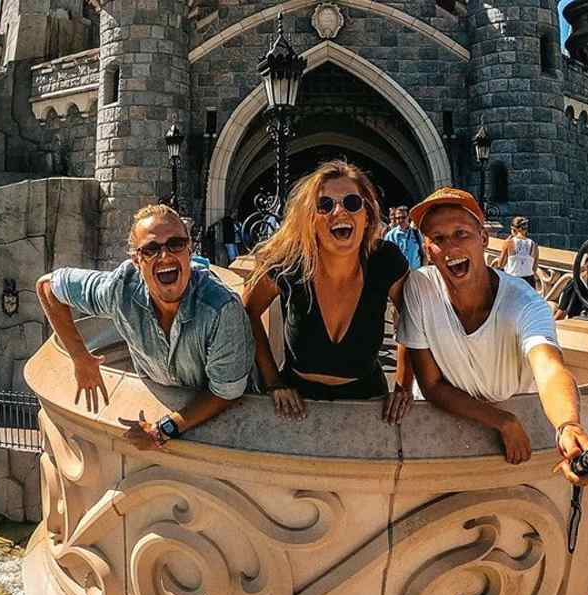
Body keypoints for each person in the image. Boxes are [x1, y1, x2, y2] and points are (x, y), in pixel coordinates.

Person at [396, 188, 588, 485]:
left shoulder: (525, 303)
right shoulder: (420, 287)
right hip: (441, 429)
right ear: (427, 250)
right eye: (438, 239)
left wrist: (568, 425)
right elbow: (431, 384)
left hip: (512, 443)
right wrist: (501, 421)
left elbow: (549, 369)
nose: (450, 247)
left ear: (484, 238)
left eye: (461, 233)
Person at [35, 204, 255, 449]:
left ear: (189, 250)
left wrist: (163, 429)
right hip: (157, 396)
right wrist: (80, 357)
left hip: (228, 428)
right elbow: (48, 287)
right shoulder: (120, 289)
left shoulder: (221, 309)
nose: (165, 256)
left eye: (176, 244)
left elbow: (226, 392)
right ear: (137, 260)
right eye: (151, 249)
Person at [242, 160, 413, 424]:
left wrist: (403, 386)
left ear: (367, 214)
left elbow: (412, 317)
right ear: (310, 219)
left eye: (352, 203)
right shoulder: (290, 262)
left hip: (368, 404)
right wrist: (272, 382)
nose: (339, 211)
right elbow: (248, 310)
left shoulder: (384, 260)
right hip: (296, 405)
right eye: (325, 205)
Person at [495, 216, 540, 289]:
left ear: (514, 229)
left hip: (513, 280)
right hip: (529, 282)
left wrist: (504, 246)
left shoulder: (509, 243)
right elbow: (534, 268)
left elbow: (500, 264)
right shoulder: (534, 245)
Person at [384, 205, 424, 270]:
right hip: (399, 275)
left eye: (403, 217)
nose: (400, 220)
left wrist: (423, 270)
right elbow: (386, 258)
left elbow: (424, 254)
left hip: (416, 273)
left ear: (408, 217)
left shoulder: (416, 233)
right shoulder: (390, 236)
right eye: (398, 218)